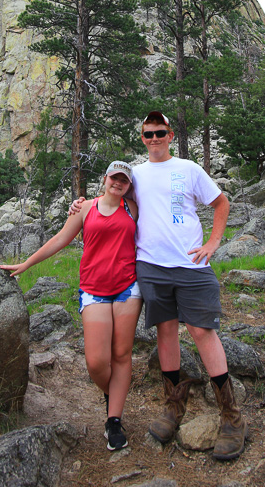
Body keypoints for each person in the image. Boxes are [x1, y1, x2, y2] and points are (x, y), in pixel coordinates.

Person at [71, 112, 248, 460]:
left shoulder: (190, 168)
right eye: (148, 134)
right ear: (143, 138)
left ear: (170, 134)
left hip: (191, 264)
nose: (154, 139)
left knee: (202, 332)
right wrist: (82, 204)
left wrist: (213, 242)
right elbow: (112, 196)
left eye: (160, 133)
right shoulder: (136, 174)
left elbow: (220, 202)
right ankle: (174, 406)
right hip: (151, 267)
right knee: (166, 332)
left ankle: (231, 416)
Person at [0, 160, 142, 451]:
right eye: (113, 178)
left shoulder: (134, 208)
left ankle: (113, 420)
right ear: (105, 179)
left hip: (129, 287)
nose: (117, 183)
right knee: (96, 363)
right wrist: (27, 263)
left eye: (123, 180)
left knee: (122, 353)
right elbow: (61, 239)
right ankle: (113, 394)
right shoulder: (86, 208)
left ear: (128, 186)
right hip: (94, 289)